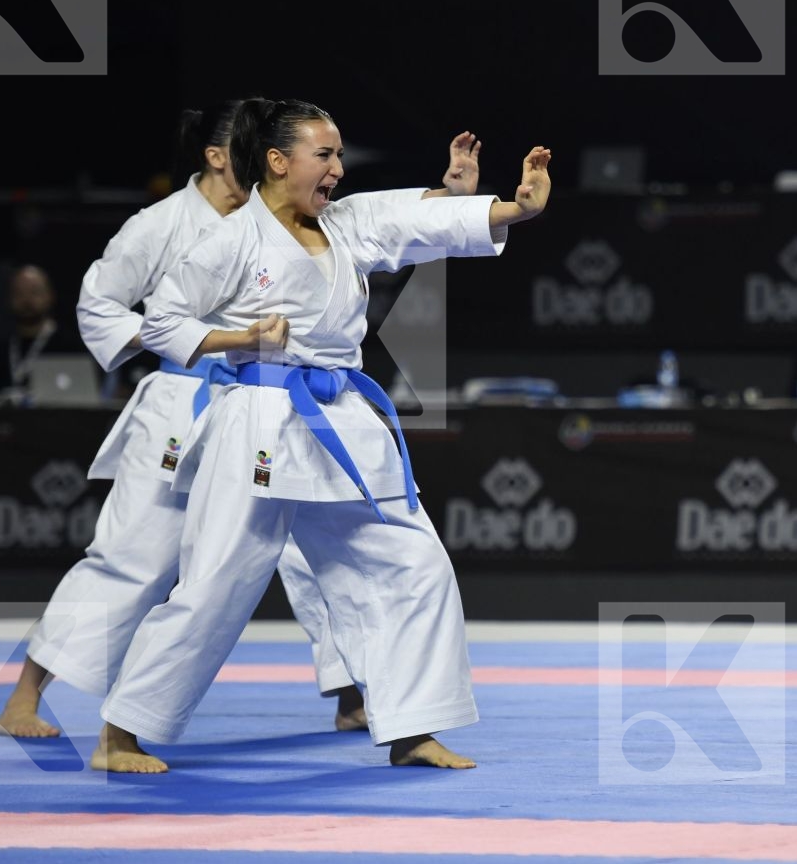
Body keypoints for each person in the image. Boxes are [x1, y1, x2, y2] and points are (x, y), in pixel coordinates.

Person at [0, 104, 484, 739]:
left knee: (320, 560)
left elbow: (383, 220)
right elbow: (101, 303)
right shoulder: (164, 225)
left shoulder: (304, 215)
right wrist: (215, 343)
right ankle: (27, 696)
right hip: (184, 401)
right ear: (219, 156)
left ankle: (358, 696)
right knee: (136, 557)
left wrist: (450, 201)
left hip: (273, 408)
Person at [95, 99, 550, 773]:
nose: (337, 169)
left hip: (341, 421)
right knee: (218, 583)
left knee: (413, 565)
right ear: (278, 162)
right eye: (324, 155)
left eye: (338, 155)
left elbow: (415, 221)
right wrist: (238, 338)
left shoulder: (344, 224)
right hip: (258, 419)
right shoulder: (229, 241)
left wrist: (512, 210)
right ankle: (118, 736)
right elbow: (159, 321)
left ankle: (412, 728)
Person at [0, 265, 82, 400]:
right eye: (19, 293)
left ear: (50, 296)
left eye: (34, 292)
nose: (26, 300)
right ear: (9, 299)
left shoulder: (73, 350)